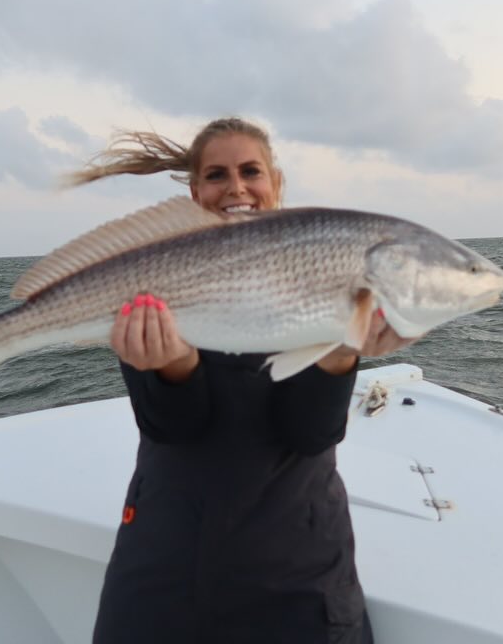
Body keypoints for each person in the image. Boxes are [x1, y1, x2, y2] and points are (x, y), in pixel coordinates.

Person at [74, 117, 414, 643]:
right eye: (216, 175)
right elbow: (172, 427)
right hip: (167, 563)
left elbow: (310, 432)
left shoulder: (323, 279)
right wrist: (175, 364)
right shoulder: (156, 277)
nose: (236, 187)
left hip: (298, 568)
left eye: (250, 171)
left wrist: (344, 351)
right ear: (195, 192)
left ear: (275, 183)